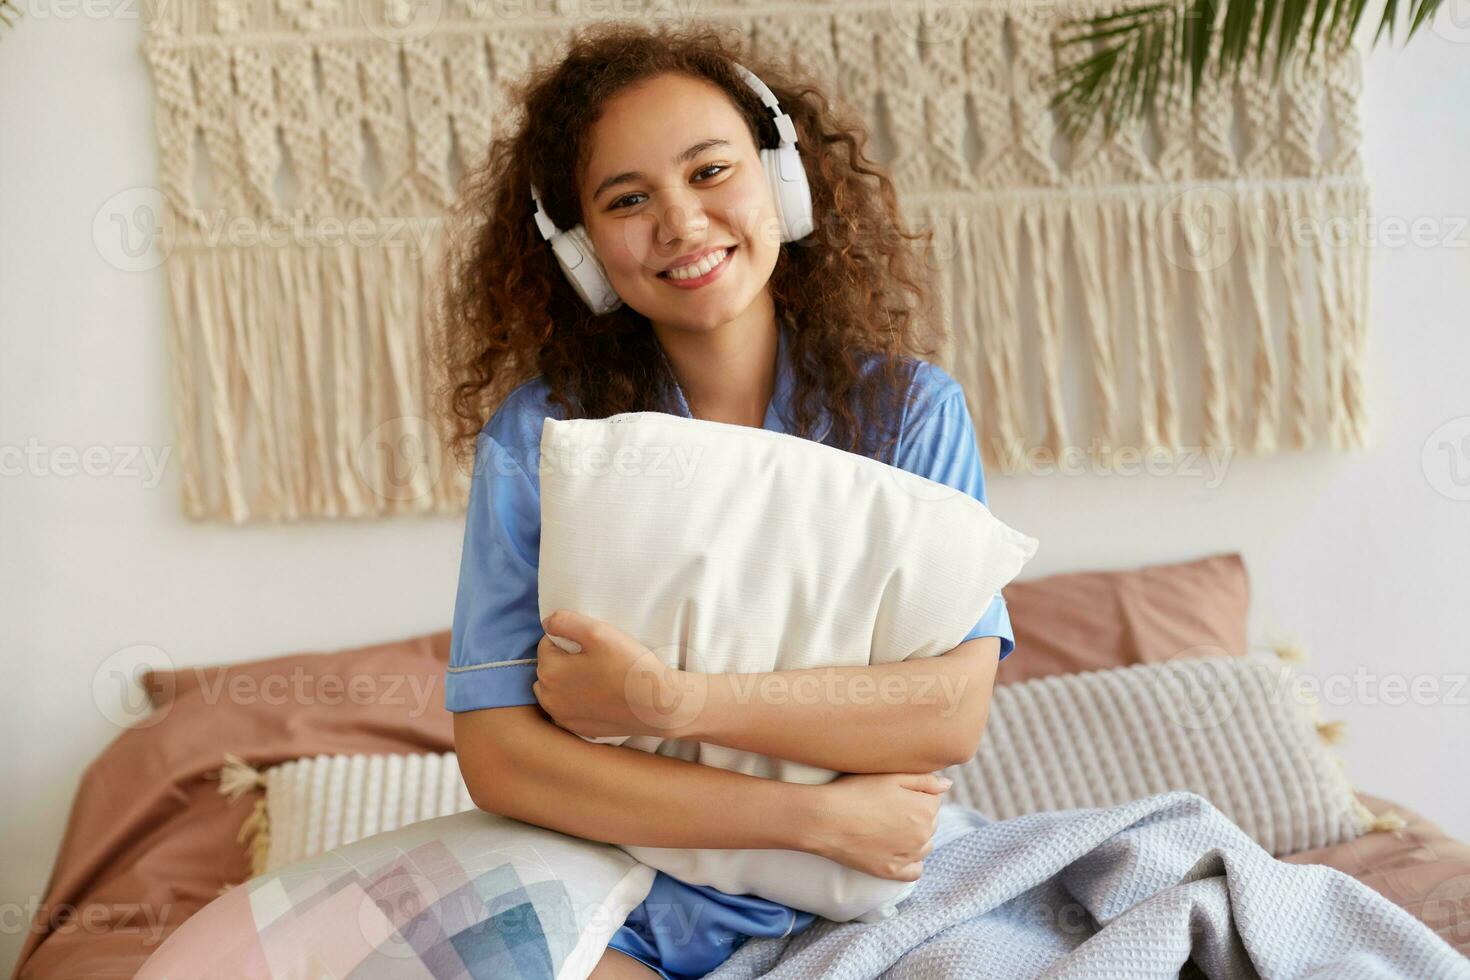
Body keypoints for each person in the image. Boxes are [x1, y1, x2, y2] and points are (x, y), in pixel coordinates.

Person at [431, 22, 1016, 980]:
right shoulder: (537, 440)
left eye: (710, 172)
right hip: (629, 884)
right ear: (580, 251)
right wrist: (812, 816)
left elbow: (945, 713)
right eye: (628, 199)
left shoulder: (911, 414)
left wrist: (669, 701)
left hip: (879, 874)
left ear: (781, 181)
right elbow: (501, 757)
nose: (681, 223)